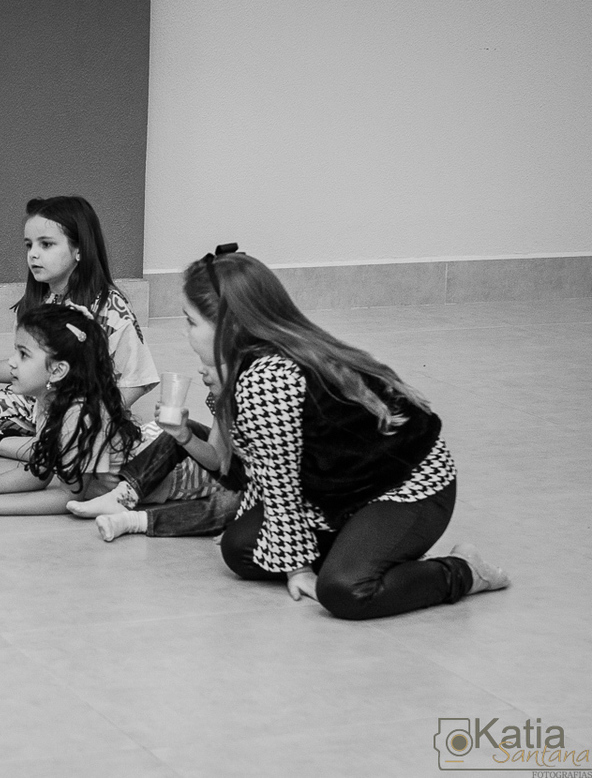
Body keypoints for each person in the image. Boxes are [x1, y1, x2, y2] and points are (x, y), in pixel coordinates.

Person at [180, 244, 508, 619]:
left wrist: (298, 569)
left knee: (344, 590)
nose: (186, 333)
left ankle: (463, 571)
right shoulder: (253, 360)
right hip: (344, 492)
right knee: (240, 547)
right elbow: (261, 468)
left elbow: (279, 482)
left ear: (230, 327)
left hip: (409, 487)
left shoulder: (266, 379)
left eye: (191, 322)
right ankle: (364, 546)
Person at [0, 195, 158, 474]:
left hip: (79, 415)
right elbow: (27, 368)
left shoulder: (111, 308)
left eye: (46, 244)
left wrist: (94, 418)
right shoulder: (40, 301)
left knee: (63, 447)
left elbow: (139, 379)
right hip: (30, 404)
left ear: (79, 250)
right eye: (29, 245)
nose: (33, 254)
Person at [0, 304, 141, 519]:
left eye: (23, 354)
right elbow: (38, 472)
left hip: (161, 478)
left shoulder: (80, 413)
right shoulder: (50, 400)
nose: (11, 362)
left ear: (58, 370)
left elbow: (68, 496)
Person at [66, 364, 248, 542]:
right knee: (185, 429)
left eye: (213, 363)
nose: (202, 369)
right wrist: (184, 436)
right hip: (237, 468)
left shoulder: (257, 391)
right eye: (205, 361)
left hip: (260, 486)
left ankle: (135, 521)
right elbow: (216, 460)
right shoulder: (223, 392)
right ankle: (122, 497)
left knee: (230, 505)